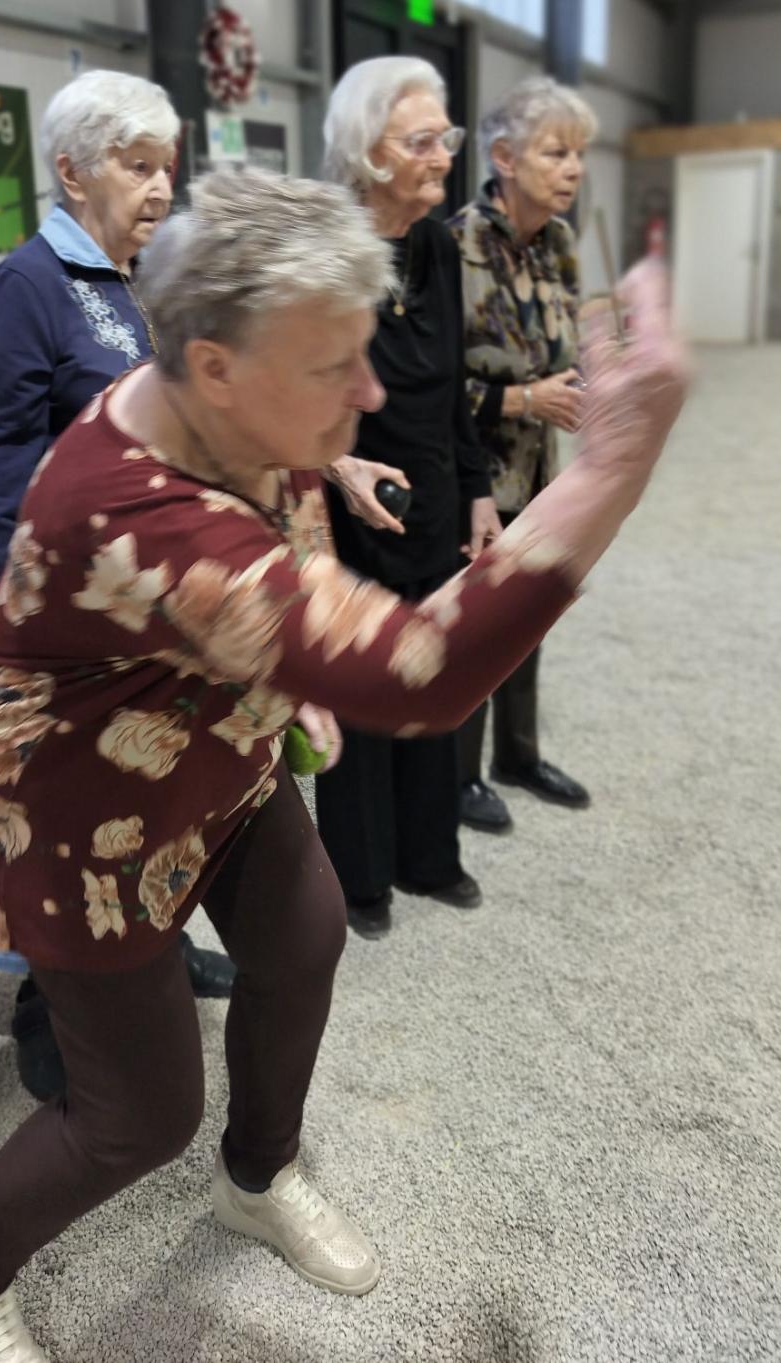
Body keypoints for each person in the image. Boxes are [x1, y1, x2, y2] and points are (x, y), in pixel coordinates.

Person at [0, 165, 686, 1362]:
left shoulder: (210, 401)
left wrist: (324, 503)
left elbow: (287, 475)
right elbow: (418, 673)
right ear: (214, 363)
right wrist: (606, 473)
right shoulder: (145, 520)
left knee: (304, 933)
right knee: (139, 1111)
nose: (367, 391)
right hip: (72, 795)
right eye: (336, 369)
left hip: (202, 726)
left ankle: (257, 1176)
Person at [0, 70, 235, 1100]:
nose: (161, 185)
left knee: (147, 800)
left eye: (167, 164)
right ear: (71, 171)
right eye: (136, 163)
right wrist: (31, 627)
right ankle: (45, 1012)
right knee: (50, 821)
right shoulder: (26, 288)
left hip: (150, 614)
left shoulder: (141, 279)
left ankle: (155, 949)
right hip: (60, 625)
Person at [315, 56, 504, 940]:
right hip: (349, 513)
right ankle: (360, 877)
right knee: (360, 684)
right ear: (369, 152)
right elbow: (288, 394)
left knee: (434, 675)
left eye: (448, 138)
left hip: (429, 503)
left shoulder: (435, 245)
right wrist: (334, 465)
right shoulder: (322, 251)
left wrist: (477, 492)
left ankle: (430, 854)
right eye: (422, 140)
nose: (443, 156)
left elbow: (454, 383)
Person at [451, 77, 598, 828]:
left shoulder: (562, 244)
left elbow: (565, 349)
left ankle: (518, 752)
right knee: (479, 622)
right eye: (556, 152)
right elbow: (432, 385)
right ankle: (460, 775)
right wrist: (522, 399)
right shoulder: (456, 245)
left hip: (543, 468)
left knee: (531, 616)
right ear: (505, 157)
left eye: (579, 154)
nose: (573, 168)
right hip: (472, 472)